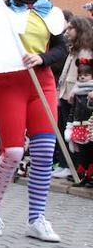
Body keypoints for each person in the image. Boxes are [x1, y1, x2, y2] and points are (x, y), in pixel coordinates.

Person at [0, 0, 67, 242]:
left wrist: (41, 57)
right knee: (14, 152)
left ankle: (37, 219)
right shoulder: (0, 12)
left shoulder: (51, 13)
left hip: (42, 83)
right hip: (9, 84)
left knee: (44, 153)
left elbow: (61, 50)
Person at [54, 16, 93, 178]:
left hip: (78, 97)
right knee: (66, 131)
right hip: (66, 94)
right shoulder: (73, 49)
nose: (67, 31)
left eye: (71, 28)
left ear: (80, 29)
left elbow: (84, 75)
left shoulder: (85, 51)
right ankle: (65, 164)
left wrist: (75, 92)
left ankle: (75, 166)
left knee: (76, 133)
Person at [64, 58, 93, 187]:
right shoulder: (75, 92)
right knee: (82, 151)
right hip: (78, 125)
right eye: (80, 75)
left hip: (90, 125)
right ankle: (82, 174)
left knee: (91, 150)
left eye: (86, 75)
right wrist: (70, 124)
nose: (82, 78)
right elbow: (73, 110)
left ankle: (90, 175)